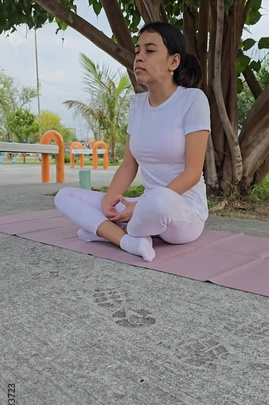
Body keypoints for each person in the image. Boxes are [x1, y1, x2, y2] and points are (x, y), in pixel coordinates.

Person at [54, 22, 210, 262]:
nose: (139, 57)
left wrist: (139, 207)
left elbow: (192, 172)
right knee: (64, 196)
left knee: (158, 199)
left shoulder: (193, 100)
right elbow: (129, 165)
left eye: (149, 51)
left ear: (173, 62)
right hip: (143, 208)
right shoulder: (137, 104)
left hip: (181, 211)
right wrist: (109, 200)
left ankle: (107, 231)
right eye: (137, 51)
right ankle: (128, 240)